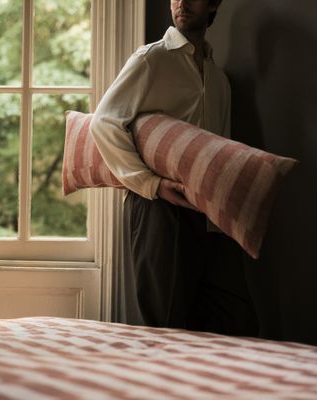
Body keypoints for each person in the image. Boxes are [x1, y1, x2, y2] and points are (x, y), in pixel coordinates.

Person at [90, 0, 258, 335]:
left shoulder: (218, 79)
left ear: (213, 4)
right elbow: (104, 123)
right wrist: (151, 185)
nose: (180, 3)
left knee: (235, 322)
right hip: (158, 208)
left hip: (210, 214)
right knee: (164, 325)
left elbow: (219, 149)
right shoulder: (152, 59)